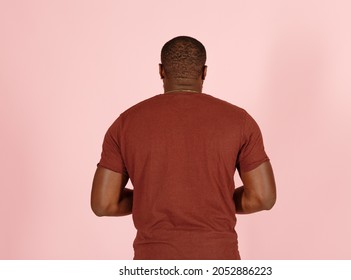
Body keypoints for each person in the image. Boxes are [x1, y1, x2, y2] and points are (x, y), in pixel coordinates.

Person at [91, 36, 276, 260]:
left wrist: (151, 196)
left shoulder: (126, 123)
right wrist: (216, 198)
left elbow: (104, 204)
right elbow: (262, 198)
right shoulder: (240, 121)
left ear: (161, 71)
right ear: (204, 72)